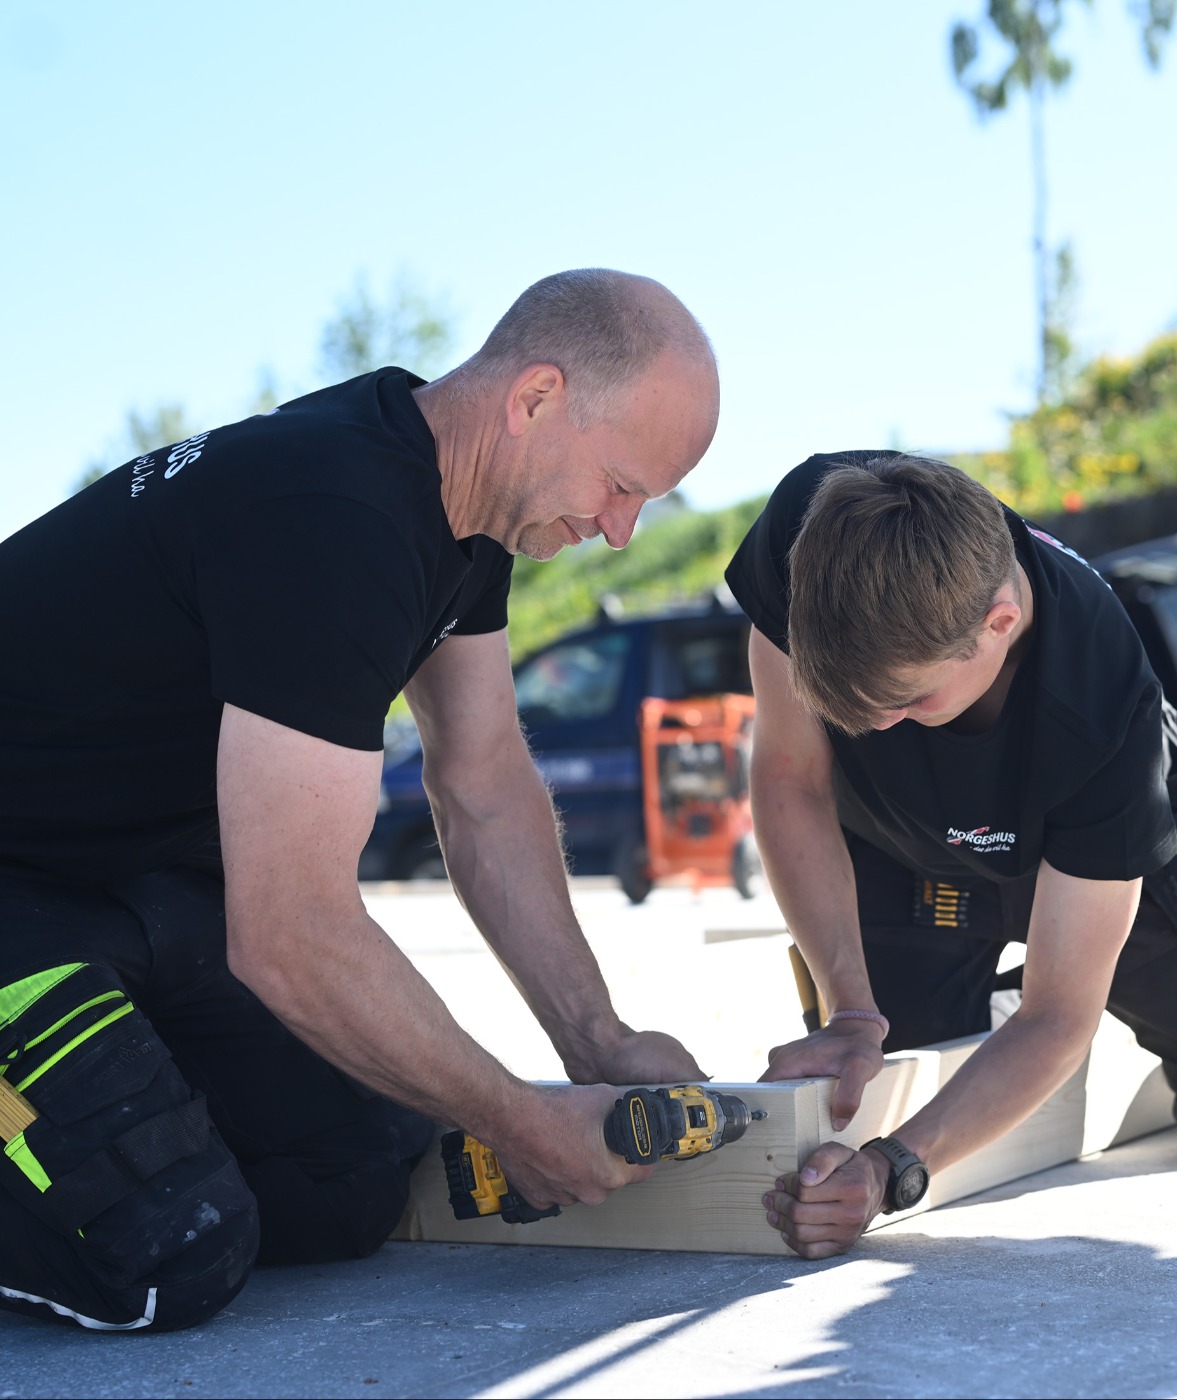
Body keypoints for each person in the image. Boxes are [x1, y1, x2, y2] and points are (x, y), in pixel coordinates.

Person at [0, 269, 720, 1331]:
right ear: (533, 399)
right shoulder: (328, 516)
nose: (621, 531)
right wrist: (520, 1118)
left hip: (120, 886)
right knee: (167, 1255)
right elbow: (288, 933)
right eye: (620, 485)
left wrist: (595, 1041)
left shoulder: (454, 509)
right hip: (19, 892)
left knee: (348, 1181)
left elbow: (480, 783)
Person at [722, 452, 1177, 1260]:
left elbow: (1059, 1018)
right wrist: (853, 1011)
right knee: (879, 1077)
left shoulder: (1101, 703)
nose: (873, 726)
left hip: (1109, 845)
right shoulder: (808, 540)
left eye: (907, 699)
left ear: (1000, 623)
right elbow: (792, 779)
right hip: (909, 842)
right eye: (845, 703)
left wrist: (893, 1170)